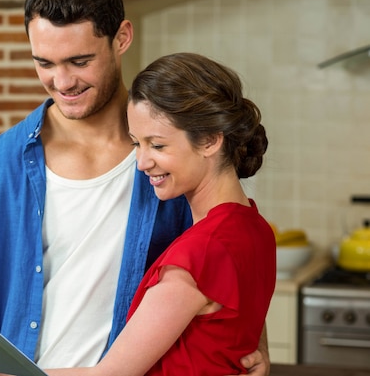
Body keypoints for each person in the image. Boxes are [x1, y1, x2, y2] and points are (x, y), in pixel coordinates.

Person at [0, 0, 271, 376]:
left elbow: (223, 262)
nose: (62, 82)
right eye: (45, 63)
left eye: (79, 61)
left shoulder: (172, 160)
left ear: (121, 38)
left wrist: (249, 347)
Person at [44, 52, 276, 376]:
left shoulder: (199, 254)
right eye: (137, 143)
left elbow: (111, 375)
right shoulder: (254, 227)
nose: (141, 162)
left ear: (210, 140)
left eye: (158, 145)